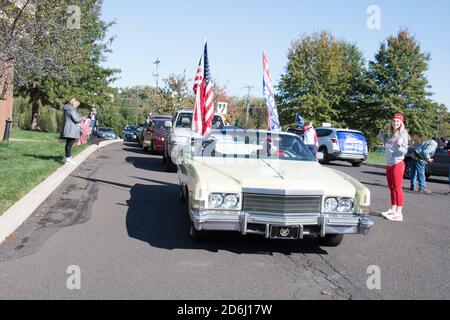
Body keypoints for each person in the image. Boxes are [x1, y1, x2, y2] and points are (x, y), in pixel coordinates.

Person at [379, 114, 409, 222]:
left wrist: (399, 146)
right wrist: (382, 137)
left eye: (397, 121)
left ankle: (399, 213)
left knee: (397, 188)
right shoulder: (391, 134)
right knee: (391, 187)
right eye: (394, 121)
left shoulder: (403, 134)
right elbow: (388, 146)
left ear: (401, 123)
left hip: (398, 164)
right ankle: (393, 209)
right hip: (390, 164)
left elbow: (405, 151)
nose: (395, 123)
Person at [61, 99, 82, 164]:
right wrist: (82, 118)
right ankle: (68, 158)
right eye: (77, 104)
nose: (77, 106)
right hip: (71, 128)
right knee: (70, 144)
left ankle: (68, 157)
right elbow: (76, 119)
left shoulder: (69, 109)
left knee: (69, 144)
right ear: (74, 103)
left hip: (70, 128)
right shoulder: (71, 110)